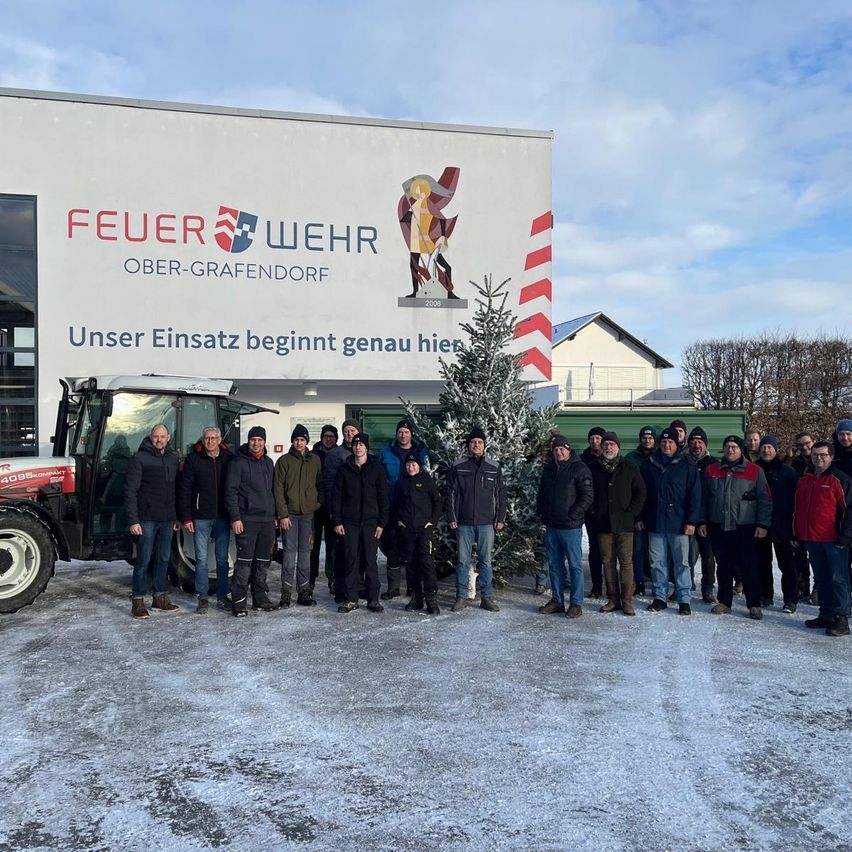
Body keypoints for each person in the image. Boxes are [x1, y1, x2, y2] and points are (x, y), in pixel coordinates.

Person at [697, 435, 772, 620]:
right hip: (718, 525)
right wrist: (702, 521)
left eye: (734, 447)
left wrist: (763, 523)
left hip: (744, 526)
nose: (730, 450)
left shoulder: (755, 471)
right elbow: (703, 499)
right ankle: (724, 601)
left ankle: (753, 603)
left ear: (741, 450)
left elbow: (765, 499)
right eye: (727, 447)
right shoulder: (711, 470)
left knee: (748, 566)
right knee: (723, 565)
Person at [639, 427, 701, 615]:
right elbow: (641, 494)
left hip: (679, 522)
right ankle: (660, 597)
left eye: (671, 442)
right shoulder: (649, 464)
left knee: (681, 562)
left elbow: (695, 495)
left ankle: (684, 599)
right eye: (664, 442)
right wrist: (641, 517)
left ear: (677, 444)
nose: (667, 445)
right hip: (655, 521)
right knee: (657, 562)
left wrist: (691, 521)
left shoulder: (687, 465)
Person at [793, 440, 852, 637]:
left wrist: (845, 535)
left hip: (834, 540)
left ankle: (841, 617)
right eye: (816, 454)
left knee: (839, 579)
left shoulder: (839, 480)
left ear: (831, 456)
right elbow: (798, 509)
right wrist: (796, 532)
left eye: (823, 455)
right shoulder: (805, 480)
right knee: (822, 578)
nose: (819, 458)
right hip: (811, 538)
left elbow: (849, 509)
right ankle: (826, 613)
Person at [446, 427, 507, 613]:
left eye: (480, 442)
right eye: (473, 442)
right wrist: (451, 516)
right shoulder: (458, 466)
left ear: (485, 446)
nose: (476, 445)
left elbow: (501, 494)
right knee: (463, 560)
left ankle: (486, 597)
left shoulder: (494, 467)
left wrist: (500, 517)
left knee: (486, 561)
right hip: (463, 522)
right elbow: (450, 493)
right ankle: (461, 596)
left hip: (486, 522)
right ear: (468, 445)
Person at [125, 424, 181, 619]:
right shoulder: (140, 458)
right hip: (146, 519)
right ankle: (138, 601)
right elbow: (131, 491)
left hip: (167, 519)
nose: (159, 439)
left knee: (164, 559)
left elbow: (175, 490)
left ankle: (159, 598)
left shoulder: (173, 458)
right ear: (150, 437)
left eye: (162, 436)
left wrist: (176, 517)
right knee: (143, 561)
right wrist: (133, 520)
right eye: (156, 436)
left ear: (169, 437)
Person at [587, 432, 646, 616]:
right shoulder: (593, 468)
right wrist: (593, 512)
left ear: (618, 447)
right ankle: (613, 599)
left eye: (612, 444)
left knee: (626, 562)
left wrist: (632, 514)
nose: (608, 448)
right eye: (605, 445)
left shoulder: (629, 467)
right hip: (603, 524)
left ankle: (627, 601)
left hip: (625, 525)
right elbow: (587, 492)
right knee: (608, 561)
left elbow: (641, 492)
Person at [536, 435, 593, 618]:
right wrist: (542, 512)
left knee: (575, 565)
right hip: (552, 525)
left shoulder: (579, 469)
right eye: (555, 450)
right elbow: (542, 493)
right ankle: (557, 600)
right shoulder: (549, 469)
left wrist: (573, 514)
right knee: (554, 565)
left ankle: (576, 603)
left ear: (568, 450)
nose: (559, 452)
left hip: (570, 527)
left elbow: (587, 496)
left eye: (562, 449)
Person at [177, 426, 233, 614]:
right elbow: (185, 489)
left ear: (219, 440)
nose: (209, 441)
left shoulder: (228, 459)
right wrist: (186, 517)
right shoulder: (194, 460)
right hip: (201, 516)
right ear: (202, 440)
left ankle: (223, 595)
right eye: (206, 438)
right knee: (201, 560)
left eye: (213, 438)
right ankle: (202, 597)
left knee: (222, 559)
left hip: (223, 516)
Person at [332, 433, 389, 613]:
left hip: (371, 523)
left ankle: (373, 599)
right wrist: (337, 521)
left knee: (370, 560)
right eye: (356, 444)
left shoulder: (376, 468)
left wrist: (381, 523)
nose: (358, 447)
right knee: (351, 559)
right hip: (350, 523)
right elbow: (337, 496)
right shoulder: (345, 468)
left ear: (366, 447)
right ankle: (351, 598)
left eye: (361, 444)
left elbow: (383, 497)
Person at [224, 425, 278, 617]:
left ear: (264, 442)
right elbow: (230, 492)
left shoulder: (269, 463)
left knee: (262, 562)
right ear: (248, 441)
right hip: (246, 520)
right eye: (253, 440)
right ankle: (239, 601)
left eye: (260, 440)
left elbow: (273, 492)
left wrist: (275, 516)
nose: (256, 443)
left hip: (267, 520)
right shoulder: (238, 463)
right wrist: (236, 517)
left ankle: (260, 598)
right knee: (245, 563)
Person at [379, 418, 430, 599]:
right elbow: (379, 477)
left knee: (411, 549)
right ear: (397, 433)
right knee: (392, 546)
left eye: (406, 432)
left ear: (411, 434)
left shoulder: (422, 451)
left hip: (414, 509)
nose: (403, 435)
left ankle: (412, 587)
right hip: (392, 506)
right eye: (400, 431)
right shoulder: (386, 452)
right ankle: (393, 588)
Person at [274, 424, 323, 608]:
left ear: (307, 442)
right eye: (296, 440)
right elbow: (277, 489)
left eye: (302, 440)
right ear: (292, 441)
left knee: (305, 554)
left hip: (308, 515)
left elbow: (320, 483)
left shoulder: (315, 460)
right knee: (288, 553)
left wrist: (316, 504)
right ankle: (286, 592)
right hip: (290, 516)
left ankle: (304, 590)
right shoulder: (284, 461)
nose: (299, 443)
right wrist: (282, 514)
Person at [393, 453, 441, 614]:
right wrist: (399, 520)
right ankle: (416, 597)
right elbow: (395, 504)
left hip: (424, 529)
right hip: (407, 529)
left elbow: (437, 503)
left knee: (427, 563)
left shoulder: (427, 481)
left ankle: (431, 600)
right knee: (411, 564)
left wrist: (432, 522)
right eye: (408, 464)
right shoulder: (401, 483)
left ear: (419, 466)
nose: (411, 467)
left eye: (413, 464)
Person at [755, 435, 799, 612]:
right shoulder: (754, 469)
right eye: (764, 447)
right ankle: (766, 595)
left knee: (787, 564)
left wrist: (794, 527)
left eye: (770, 448)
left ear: (775, 450)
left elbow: (797, 499)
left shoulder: (787, 472)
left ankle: (790, 599)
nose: (766, 450)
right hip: (760, 524)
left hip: (784, 525)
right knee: (762, 562)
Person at [324, 418, 360, 603]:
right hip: (340, 510)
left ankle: (355, 581)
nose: (349, 433)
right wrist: (332, 510)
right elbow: (329, 485)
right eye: (346, 430)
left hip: (357, 512)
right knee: (336, 549)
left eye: (352, 430)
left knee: (355, 549)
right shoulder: (335, 454)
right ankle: (335, 581)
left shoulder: (362, 452)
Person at [686, 426, 717, 603]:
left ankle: (708, 588)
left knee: (708, 556)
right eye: (693, 442)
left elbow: (714, 494)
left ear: (705, 444)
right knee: (686, 556)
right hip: (687, 517)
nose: (696, 445)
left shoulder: (714, 464)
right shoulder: (683, 462)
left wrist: (705, 519)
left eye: (700, 442)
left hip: (707, 519)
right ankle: (685, 584)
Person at [626, 425, 657, 596]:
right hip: (637, 511)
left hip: (655, 511)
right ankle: (638, 582)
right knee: (637, 549)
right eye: (644, 438)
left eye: (650, 438)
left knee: (655, 550)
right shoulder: (631, 458)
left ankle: (657, 581)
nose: (647, 441)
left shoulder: (660, 457)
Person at [310, 424, 339, 595]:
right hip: (315, 506)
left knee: (332, 545)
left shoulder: (338, 455)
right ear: (321, 438)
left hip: (333, 507)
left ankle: (332, 578)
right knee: (312, 547)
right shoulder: (313, 455)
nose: (328, 439)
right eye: (326, 436)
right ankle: (311, 579)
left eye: (332, 436)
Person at [581, 426, 606, 597]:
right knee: (595, 550)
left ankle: (614, 588)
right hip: (591, 512)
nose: (595, 441)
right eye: (592, 438)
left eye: (598, 438)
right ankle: (597, 586)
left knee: (611, 553)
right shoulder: (582, 460)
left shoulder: (611, 458)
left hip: (609, 512)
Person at [789, 431, 815, 601]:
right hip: (798, 513)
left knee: (817, 557)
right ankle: (802, 587)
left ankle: (818, 589)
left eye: (807, 443)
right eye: (801, 445)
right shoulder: (795, 463)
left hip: (816, 515)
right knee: (799, 556)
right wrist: (788, 458)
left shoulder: (821, 459)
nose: (805, 447)